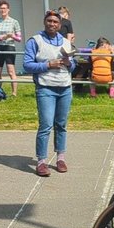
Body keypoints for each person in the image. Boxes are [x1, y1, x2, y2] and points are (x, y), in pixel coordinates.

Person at [23, 10, 75, 176]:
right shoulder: (35, 41)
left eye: (55, 22)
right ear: (44, 22)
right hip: (46, 88)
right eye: (49, 21)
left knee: (61, 125)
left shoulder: (66, 42)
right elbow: (27, 65)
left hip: (65, 87)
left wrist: (69, 63)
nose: (52, 24)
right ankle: (41, 161)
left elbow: (73, 67)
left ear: (60, 25)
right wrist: (47, 65)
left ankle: (60, 158)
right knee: (46, 125)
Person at [0, 0, 22, 97]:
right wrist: (2, 37)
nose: (3, 10)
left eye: (4, 8)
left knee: (11, 71)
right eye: (1, 8)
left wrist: (12, 36)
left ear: (8, 9)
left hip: (9, 47)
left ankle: (14, 93)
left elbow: (19, 38)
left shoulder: (14, 22)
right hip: (0, 47)